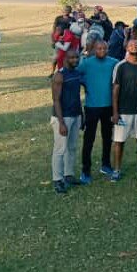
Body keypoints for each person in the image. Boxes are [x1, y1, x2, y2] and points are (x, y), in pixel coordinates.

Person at [111, 40, 137, 180]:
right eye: (131, 45)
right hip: (123, 111)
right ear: (126, 48)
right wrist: (115, 112)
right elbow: (115, 89)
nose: (134, 47)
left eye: (136, 45)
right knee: (119, 141)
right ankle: (117, 170)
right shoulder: (120, 66)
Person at [77, 40, 118, 183]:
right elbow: (76, 74)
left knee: (107, 137)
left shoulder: (113, 62)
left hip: (108, 106)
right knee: (89, 139)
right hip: (92, 106)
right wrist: (84, 83)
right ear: (94, 49)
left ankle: (106, 165)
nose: (102, 51)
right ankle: (85, 171)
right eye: (99, 48)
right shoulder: (87, 63)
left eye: (104, 48)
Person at [50, 49, 83, 194]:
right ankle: (57, 179)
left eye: (77, 57)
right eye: (72, 58)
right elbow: (56, 100)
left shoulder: (76, 73)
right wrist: (61, 122)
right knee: (60, 149)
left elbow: (76, 96)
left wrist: (81, 115)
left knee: (72, 147)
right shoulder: (59, 75)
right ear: (65, 59)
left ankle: (69, 174)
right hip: (63, 117)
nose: (75, 60)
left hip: (75, 115)